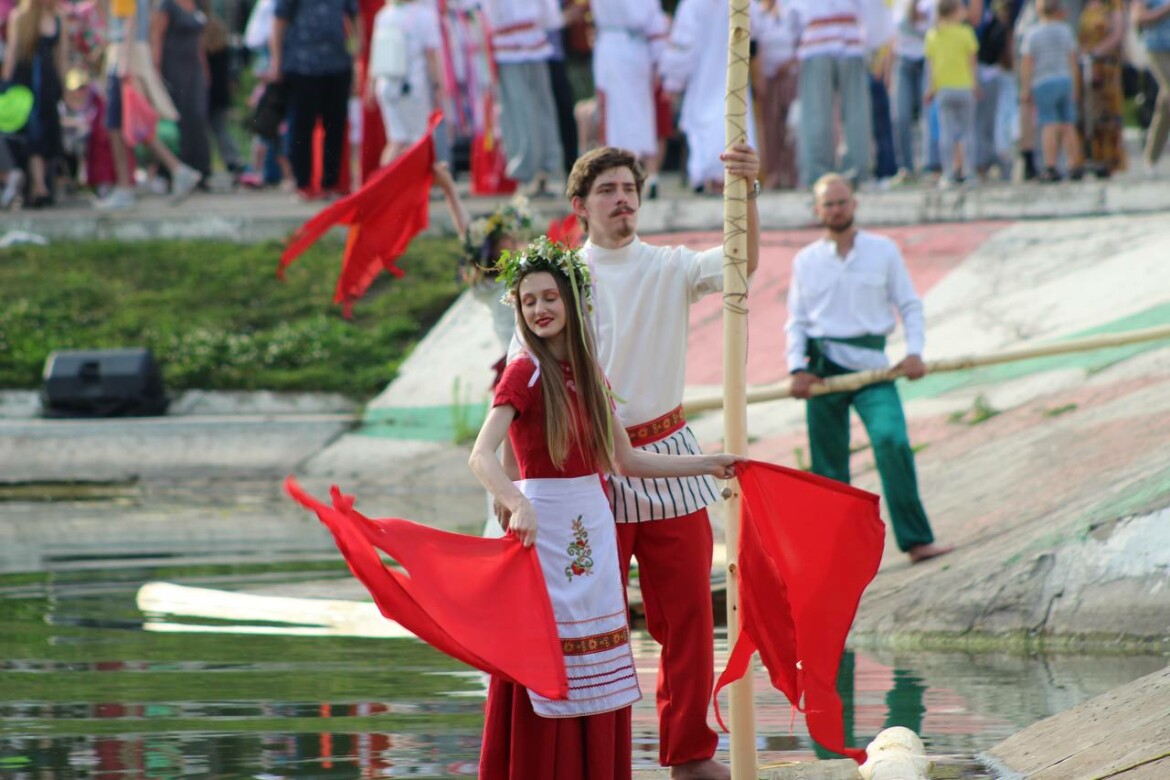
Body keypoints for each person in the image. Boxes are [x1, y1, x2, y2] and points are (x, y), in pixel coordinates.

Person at [471, 237, 740, 780]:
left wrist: (709, 463)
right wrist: (515, 501)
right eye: (529, 301)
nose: (541, 309)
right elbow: (480, 455)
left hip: (592, 526)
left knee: (595, 657)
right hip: (544, 529)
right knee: (549, 654)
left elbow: (626, 461)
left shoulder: (591, 374)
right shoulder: (523, 371)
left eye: (550, 297)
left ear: (571, 301)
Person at [559, 142, 759, 780]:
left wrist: (745, 192)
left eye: (629, 188)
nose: (622, 200)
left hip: (671, 456)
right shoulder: (560, 282)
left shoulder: (669, 266)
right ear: (581, 207)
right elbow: (524, 374)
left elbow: (739, 264)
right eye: (608, 191)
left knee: (691, 621)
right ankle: (601, 758)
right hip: (594, 467)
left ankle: (689, 754)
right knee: (599, 624)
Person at [786, 173, 953, 565]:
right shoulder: (805, 261)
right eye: (828, 204)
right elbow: (796, 321)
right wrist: (796, 367)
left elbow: (910, 305)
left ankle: (917, 540)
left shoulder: (883, 251)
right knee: (828, 469)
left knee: (892, 440)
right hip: (824, 370)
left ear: (855, 204)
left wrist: (915, 352)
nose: (836, 209)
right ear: (817, 210)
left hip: (876, 370)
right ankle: (836, 555)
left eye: (842, 202)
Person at [94, 0, 201, 209]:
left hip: (126, 54)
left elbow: (129, 22)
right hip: (132, 52)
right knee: (130, 124)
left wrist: (123, 62)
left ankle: (127, 186)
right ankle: (177, 170)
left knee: (117, 125)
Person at [270, 0, 358, 200]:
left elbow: (353, 14)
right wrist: (276, 61)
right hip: (302, 65)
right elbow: (278, 22)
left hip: (337, 64)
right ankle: (303, 183)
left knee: (335, 125)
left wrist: (356, 49)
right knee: (302, 126)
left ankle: (331, 182)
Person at [790, 0, 872, 186]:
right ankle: (856, 171)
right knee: (855, 110)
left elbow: (792, 15)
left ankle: (818, 175)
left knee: (816, 113)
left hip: (817, 39)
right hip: (849, 38)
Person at [589, 0, 666, 191]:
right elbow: (654, 18)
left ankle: (635, 174)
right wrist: (660, 56)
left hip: (622, 45)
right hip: (629, 45)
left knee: (632, 112)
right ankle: (642, 174)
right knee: (631, 112)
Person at [3, 0, 66, 208]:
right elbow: (12, 56)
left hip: (48, 84)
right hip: (27, 85)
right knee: (33, 133)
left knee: (49, 132)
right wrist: (5, 87)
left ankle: (40, 186)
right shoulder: (20, 18)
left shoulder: (58, 18)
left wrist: (62, 86)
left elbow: (61, 56)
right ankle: (38, 187)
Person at [368, 0, 445, 165]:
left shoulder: (383, 15)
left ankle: (386, 186)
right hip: (413, 88)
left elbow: (375, 54)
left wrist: (370, 85)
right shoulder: (425, 16)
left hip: (386, 85)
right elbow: (431, 55)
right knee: (419, 140)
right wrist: (438, 86)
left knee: (395, 140)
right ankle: (418, 187)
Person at [1020, 0, 1081, 182]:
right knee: (1068, 124)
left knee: (1049, 124)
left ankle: (1051, 165)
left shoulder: (1032, 34)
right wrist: (1075, 86)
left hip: (1043, 81)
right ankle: (1074, 164)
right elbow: (1072, 60)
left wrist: (1025, 88)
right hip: (1065, 79)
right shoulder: (1065, 30)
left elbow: (1027, 63)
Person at [151, 0, 211, 182]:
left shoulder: (196, 6)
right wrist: (156, 70)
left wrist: (204, 67)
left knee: (197, 115)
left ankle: (200, 168)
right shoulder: (167, 5)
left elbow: (199, 40)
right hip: (174, 66)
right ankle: (174, 169)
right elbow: (157, 37)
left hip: (194, 67)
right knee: (178, 116)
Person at [924, 0, 979, 187]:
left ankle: (948, 173)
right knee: (967, 132)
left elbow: (931, 67)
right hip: (964, 87)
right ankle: (969, 171)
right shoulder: (966, 33)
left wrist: (931, 88)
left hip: (944, 89)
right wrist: (975, 85)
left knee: (946, 133)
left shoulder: (933, 35)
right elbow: (972, 63)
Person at [1076, 0, 1125, 176]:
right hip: (1083, 65)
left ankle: (1108, 160)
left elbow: (1117, 34)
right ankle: (1088, 157)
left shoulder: (1113, 5)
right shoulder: (1082, 5)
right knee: (1086, 113)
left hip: (1106, 65)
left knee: (1106, 114)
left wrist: (1094, 53)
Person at [1134, 0, 1170, 174]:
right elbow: (1138, 17)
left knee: (1166, 103)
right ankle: (1151, 157)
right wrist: (1165, 10)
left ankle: (1151, 156)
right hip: (1157, 48)